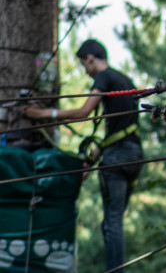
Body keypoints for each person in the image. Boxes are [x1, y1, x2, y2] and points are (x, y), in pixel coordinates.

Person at [24, 40, 142, 271]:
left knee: (111, 223)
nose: (85, 72)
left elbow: (84, 111)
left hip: (117, 158)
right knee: (114, 220)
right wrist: (90, 159)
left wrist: (45, 113)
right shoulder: (124, 80)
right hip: (134, 155)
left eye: (83, 65)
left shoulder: (104, 77)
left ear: (90, 58)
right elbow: (118, 133)